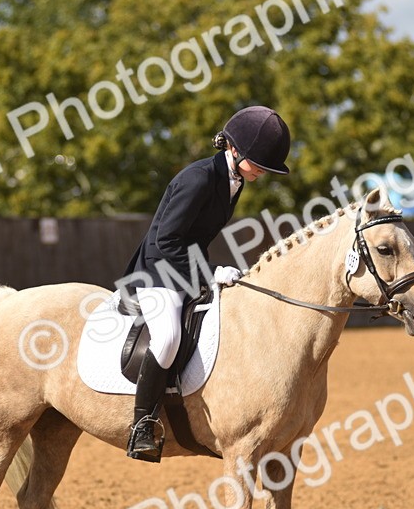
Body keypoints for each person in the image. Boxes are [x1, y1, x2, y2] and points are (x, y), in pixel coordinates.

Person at [120, 106, 292, 463]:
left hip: (187, 269)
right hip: (159, 271)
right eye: (258, 163)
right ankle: (142, 426)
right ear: (234, 150)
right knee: (167, 338)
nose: (261, 172)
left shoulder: (235, 180)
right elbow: (165, 242)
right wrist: (209, 273)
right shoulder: (198, 178)